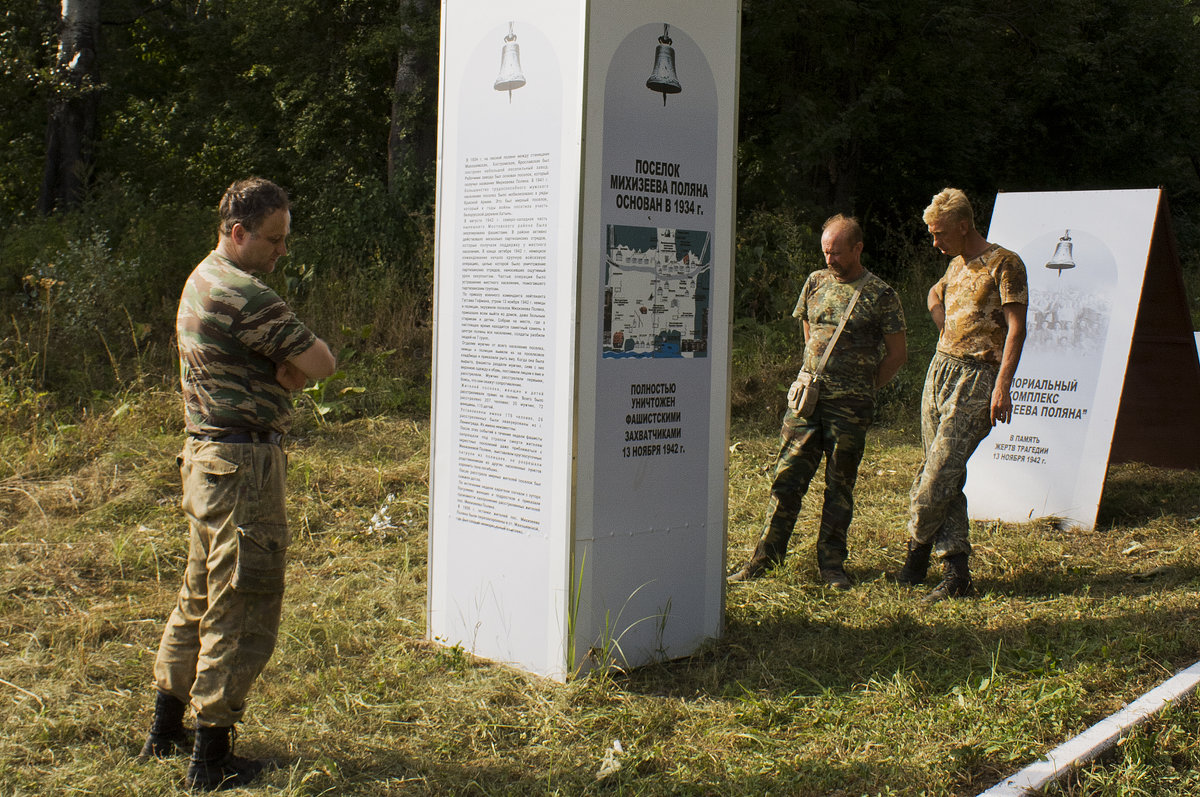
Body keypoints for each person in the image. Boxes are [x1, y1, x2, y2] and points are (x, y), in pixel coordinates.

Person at [138, 177, 336, 791]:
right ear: (238, 232)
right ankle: (211, 754)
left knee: (200, 591)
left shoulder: (202, 277)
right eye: (273, 240)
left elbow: (303, 368)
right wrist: (287, 375)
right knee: (242, 598)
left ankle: (166, 727)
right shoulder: (243, 294)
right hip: (242, 468)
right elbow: (323, 363)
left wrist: (284, 373)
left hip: (205, 460)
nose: (281, 251)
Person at [728, 214, 907, 589]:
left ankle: (831, 566)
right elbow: (808, 332)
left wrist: (863, 386)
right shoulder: (815, 282)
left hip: (851, 409)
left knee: (839, 487)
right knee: (786, 479)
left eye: (838, 253)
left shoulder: (881, 295)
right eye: (826, 251)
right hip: (807, 404)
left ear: (857, 248)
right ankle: (765, 559)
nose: (830, 259)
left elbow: (897, 354)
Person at [894, 187, 1027, 602]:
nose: (935, 242)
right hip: (940, 370)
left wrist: (1002, 386)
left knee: (936, 475)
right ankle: (956, 572)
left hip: (977, 378)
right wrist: (947, 330)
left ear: (964, 225)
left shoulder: (1005, 264)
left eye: (940, 233)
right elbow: (935, 294)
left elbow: (1017, 329)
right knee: (945, 472)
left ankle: (915, 554)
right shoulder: (955, 266)